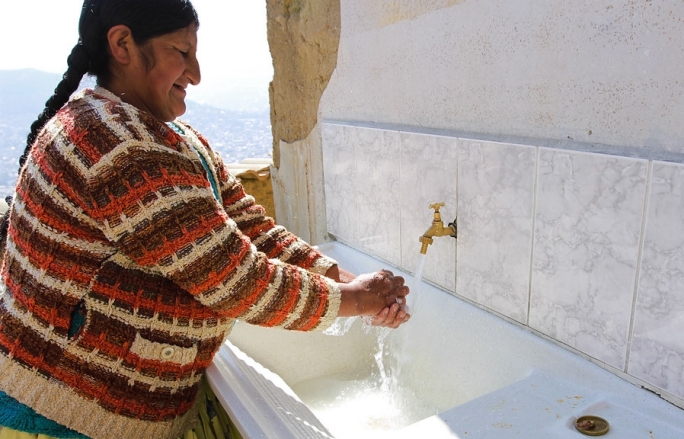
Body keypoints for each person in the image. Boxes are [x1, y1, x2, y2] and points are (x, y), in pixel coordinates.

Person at [0, 1, 410, 438]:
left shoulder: (170, 135)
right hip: (63, 412)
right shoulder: (114, 142)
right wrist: (357, 300)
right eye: (181, 51)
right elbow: (236, 279)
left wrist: (352, 284)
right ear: (122, 44)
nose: (195, 74)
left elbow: (254, 232)